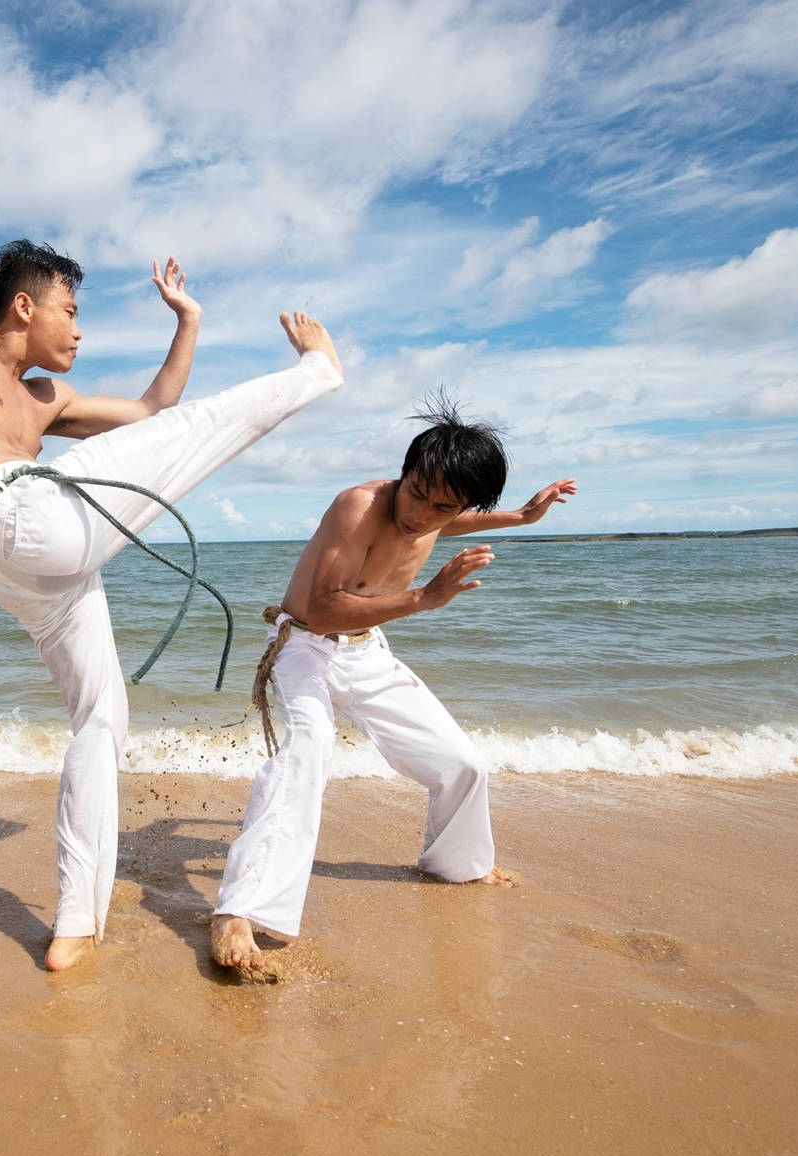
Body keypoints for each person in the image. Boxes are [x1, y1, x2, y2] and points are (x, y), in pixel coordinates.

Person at [0, 240, 342, 970]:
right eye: (72, 310)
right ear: (24, 305)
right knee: (178, 442)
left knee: (102, 717)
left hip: (30, 563)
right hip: (15, 529)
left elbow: (153, 409)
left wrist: (188, 321)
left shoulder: (43, 399)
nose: (80, 330)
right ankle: (317, 374)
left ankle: (77, 924)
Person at [209, 397, 574, 979]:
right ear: (404, 474)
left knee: (463, 763)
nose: (421, 515)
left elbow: (458, 517)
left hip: (367, 652)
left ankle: (458, 864)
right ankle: (238, 911)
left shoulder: (438, 512)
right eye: (417, 493)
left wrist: (524, 518)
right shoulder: (360, 507)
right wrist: (427, 598)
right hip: (304, 645)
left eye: (442, 507)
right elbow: (327, 612)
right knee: (309, 749)